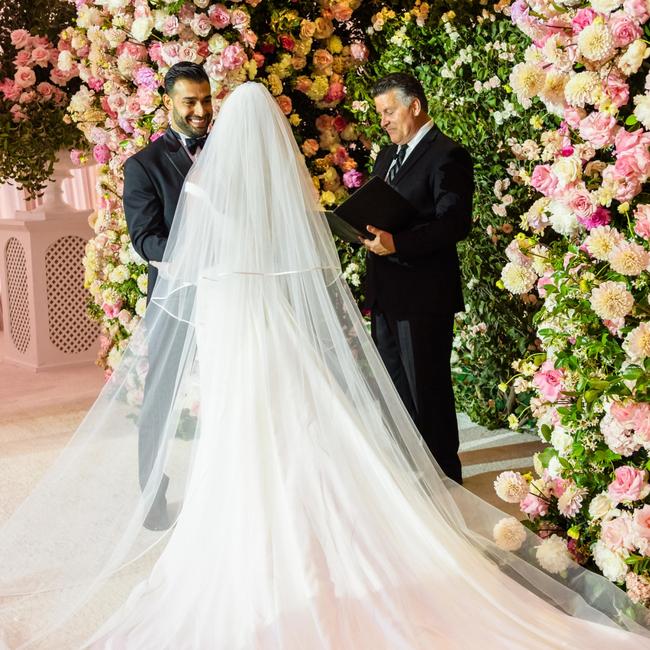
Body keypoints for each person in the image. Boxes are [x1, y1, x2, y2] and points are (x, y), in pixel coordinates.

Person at [1, 83, 649, 649]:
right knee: (297, 421)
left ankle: (248, 541)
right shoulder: (280, 185)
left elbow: (191, 262)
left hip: (231, 321)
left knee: (241, 430)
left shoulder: (205, 184)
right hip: (271, 322)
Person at [362, 72, 472, 484]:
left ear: (414, 106)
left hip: (425, 297)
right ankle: (414, 482)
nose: (384, 121)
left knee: (429, 395)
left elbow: (454, 224)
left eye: (388, 111)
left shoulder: (448, 155)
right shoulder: (387, 156)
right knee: (397, 396)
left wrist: (399, 244)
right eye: (380, 114)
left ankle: (447, 484)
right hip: (386, 294)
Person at [123, 61, 213, 529]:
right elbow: (145, 240)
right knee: (161, 399)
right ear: (168, 104)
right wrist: (202, 255)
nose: (200, 111)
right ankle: (153, 497)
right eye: (190, 102)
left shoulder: (229, 150)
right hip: (176, 300)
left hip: (228, 296)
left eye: (205, 100)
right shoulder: (143, 166)